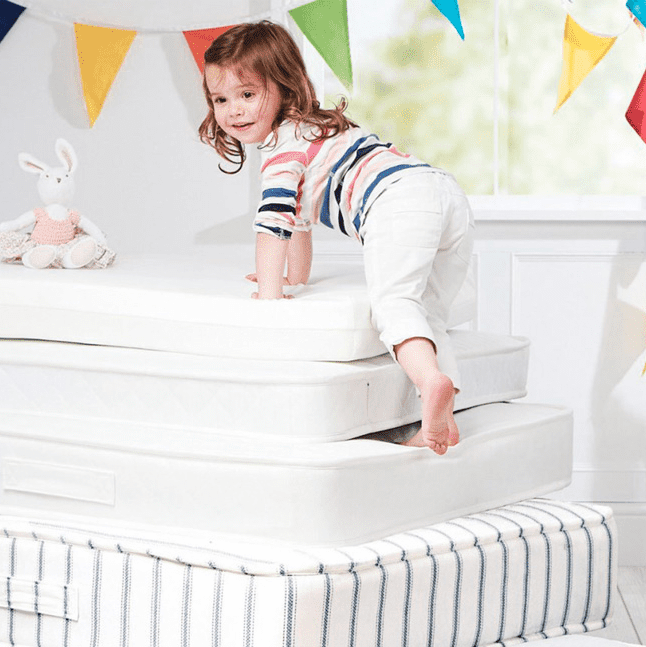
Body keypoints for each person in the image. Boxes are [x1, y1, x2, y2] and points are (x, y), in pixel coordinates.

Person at [198, 21, 473, 455]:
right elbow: (298, 226)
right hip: (445, 193)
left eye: (247, 94)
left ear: (284, 85)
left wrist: (269, 296)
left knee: (394, 304)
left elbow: (274, 225)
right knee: (427, 312)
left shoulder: (282, 149)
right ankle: (442, 416)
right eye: (221, 99)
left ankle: (429, 380)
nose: (234, 111)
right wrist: (295, 279)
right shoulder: (318, 128)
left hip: (396, 201)